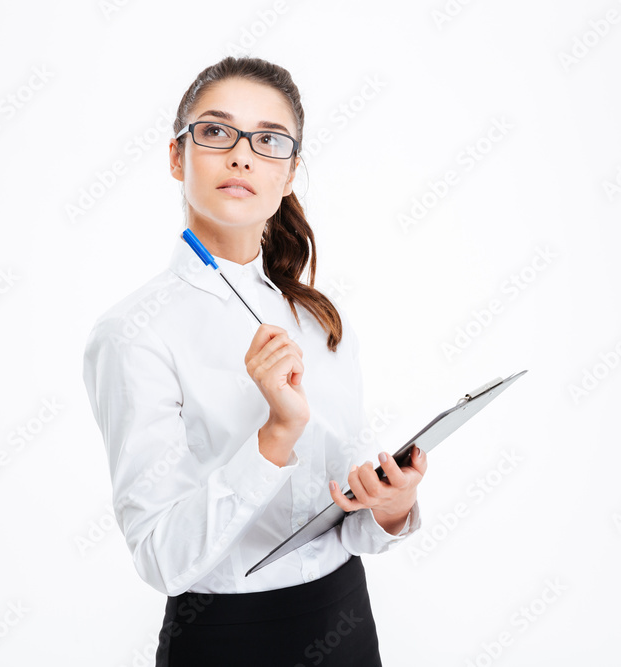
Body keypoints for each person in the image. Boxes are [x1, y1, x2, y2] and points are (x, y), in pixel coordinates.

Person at [81, 56, 427, 666]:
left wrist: (391, 507)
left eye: (268, 141)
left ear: (290, 172)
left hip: (346, 617)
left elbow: (342, 519)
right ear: (175, 157)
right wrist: (274, 435)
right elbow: (163, 560)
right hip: (226, 638)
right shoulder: (133, 334)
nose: (242, 155)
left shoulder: (317, 318)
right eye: (216, 132)